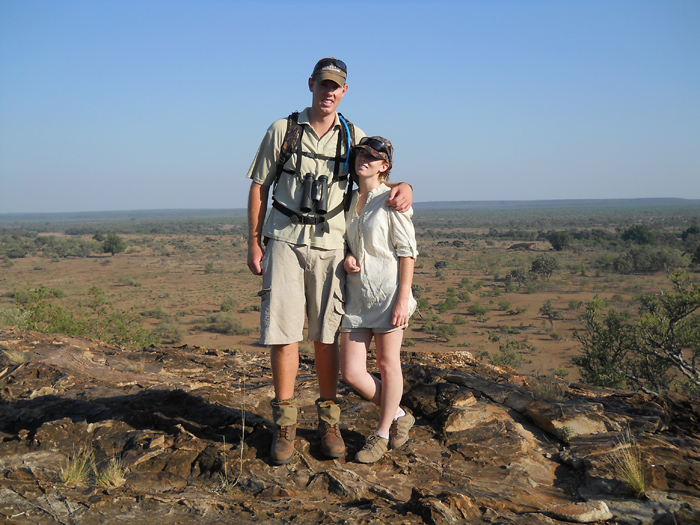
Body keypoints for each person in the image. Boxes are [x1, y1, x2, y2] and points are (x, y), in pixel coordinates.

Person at [246, 58, 413, 465]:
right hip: (284, 240)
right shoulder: (282, 130)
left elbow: (376, 178)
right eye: (323, 85)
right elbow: (258, 186)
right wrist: (254, 242)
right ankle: (284, 424)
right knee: (283, 334)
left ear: (345, 91)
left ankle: (328, 422)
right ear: (311, 85)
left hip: (332, 246)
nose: (329, 92)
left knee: (325, 336)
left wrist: (406, 185)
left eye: (336, 86)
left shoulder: (351, 135)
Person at [340, 136, 418, 463]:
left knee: (387, 365)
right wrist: (346, 257)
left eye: (373, 157)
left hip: (388, 294)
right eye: (361, 154)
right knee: (351, 372)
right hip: (356, 299)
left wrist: (403, 297)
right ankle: (400, 414)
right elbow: (341, 240)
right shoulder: (346, 200)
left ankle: (382, 433)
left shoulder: (392, 200)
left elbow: (407, 251)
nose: (365, 160)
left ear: (384, 166)